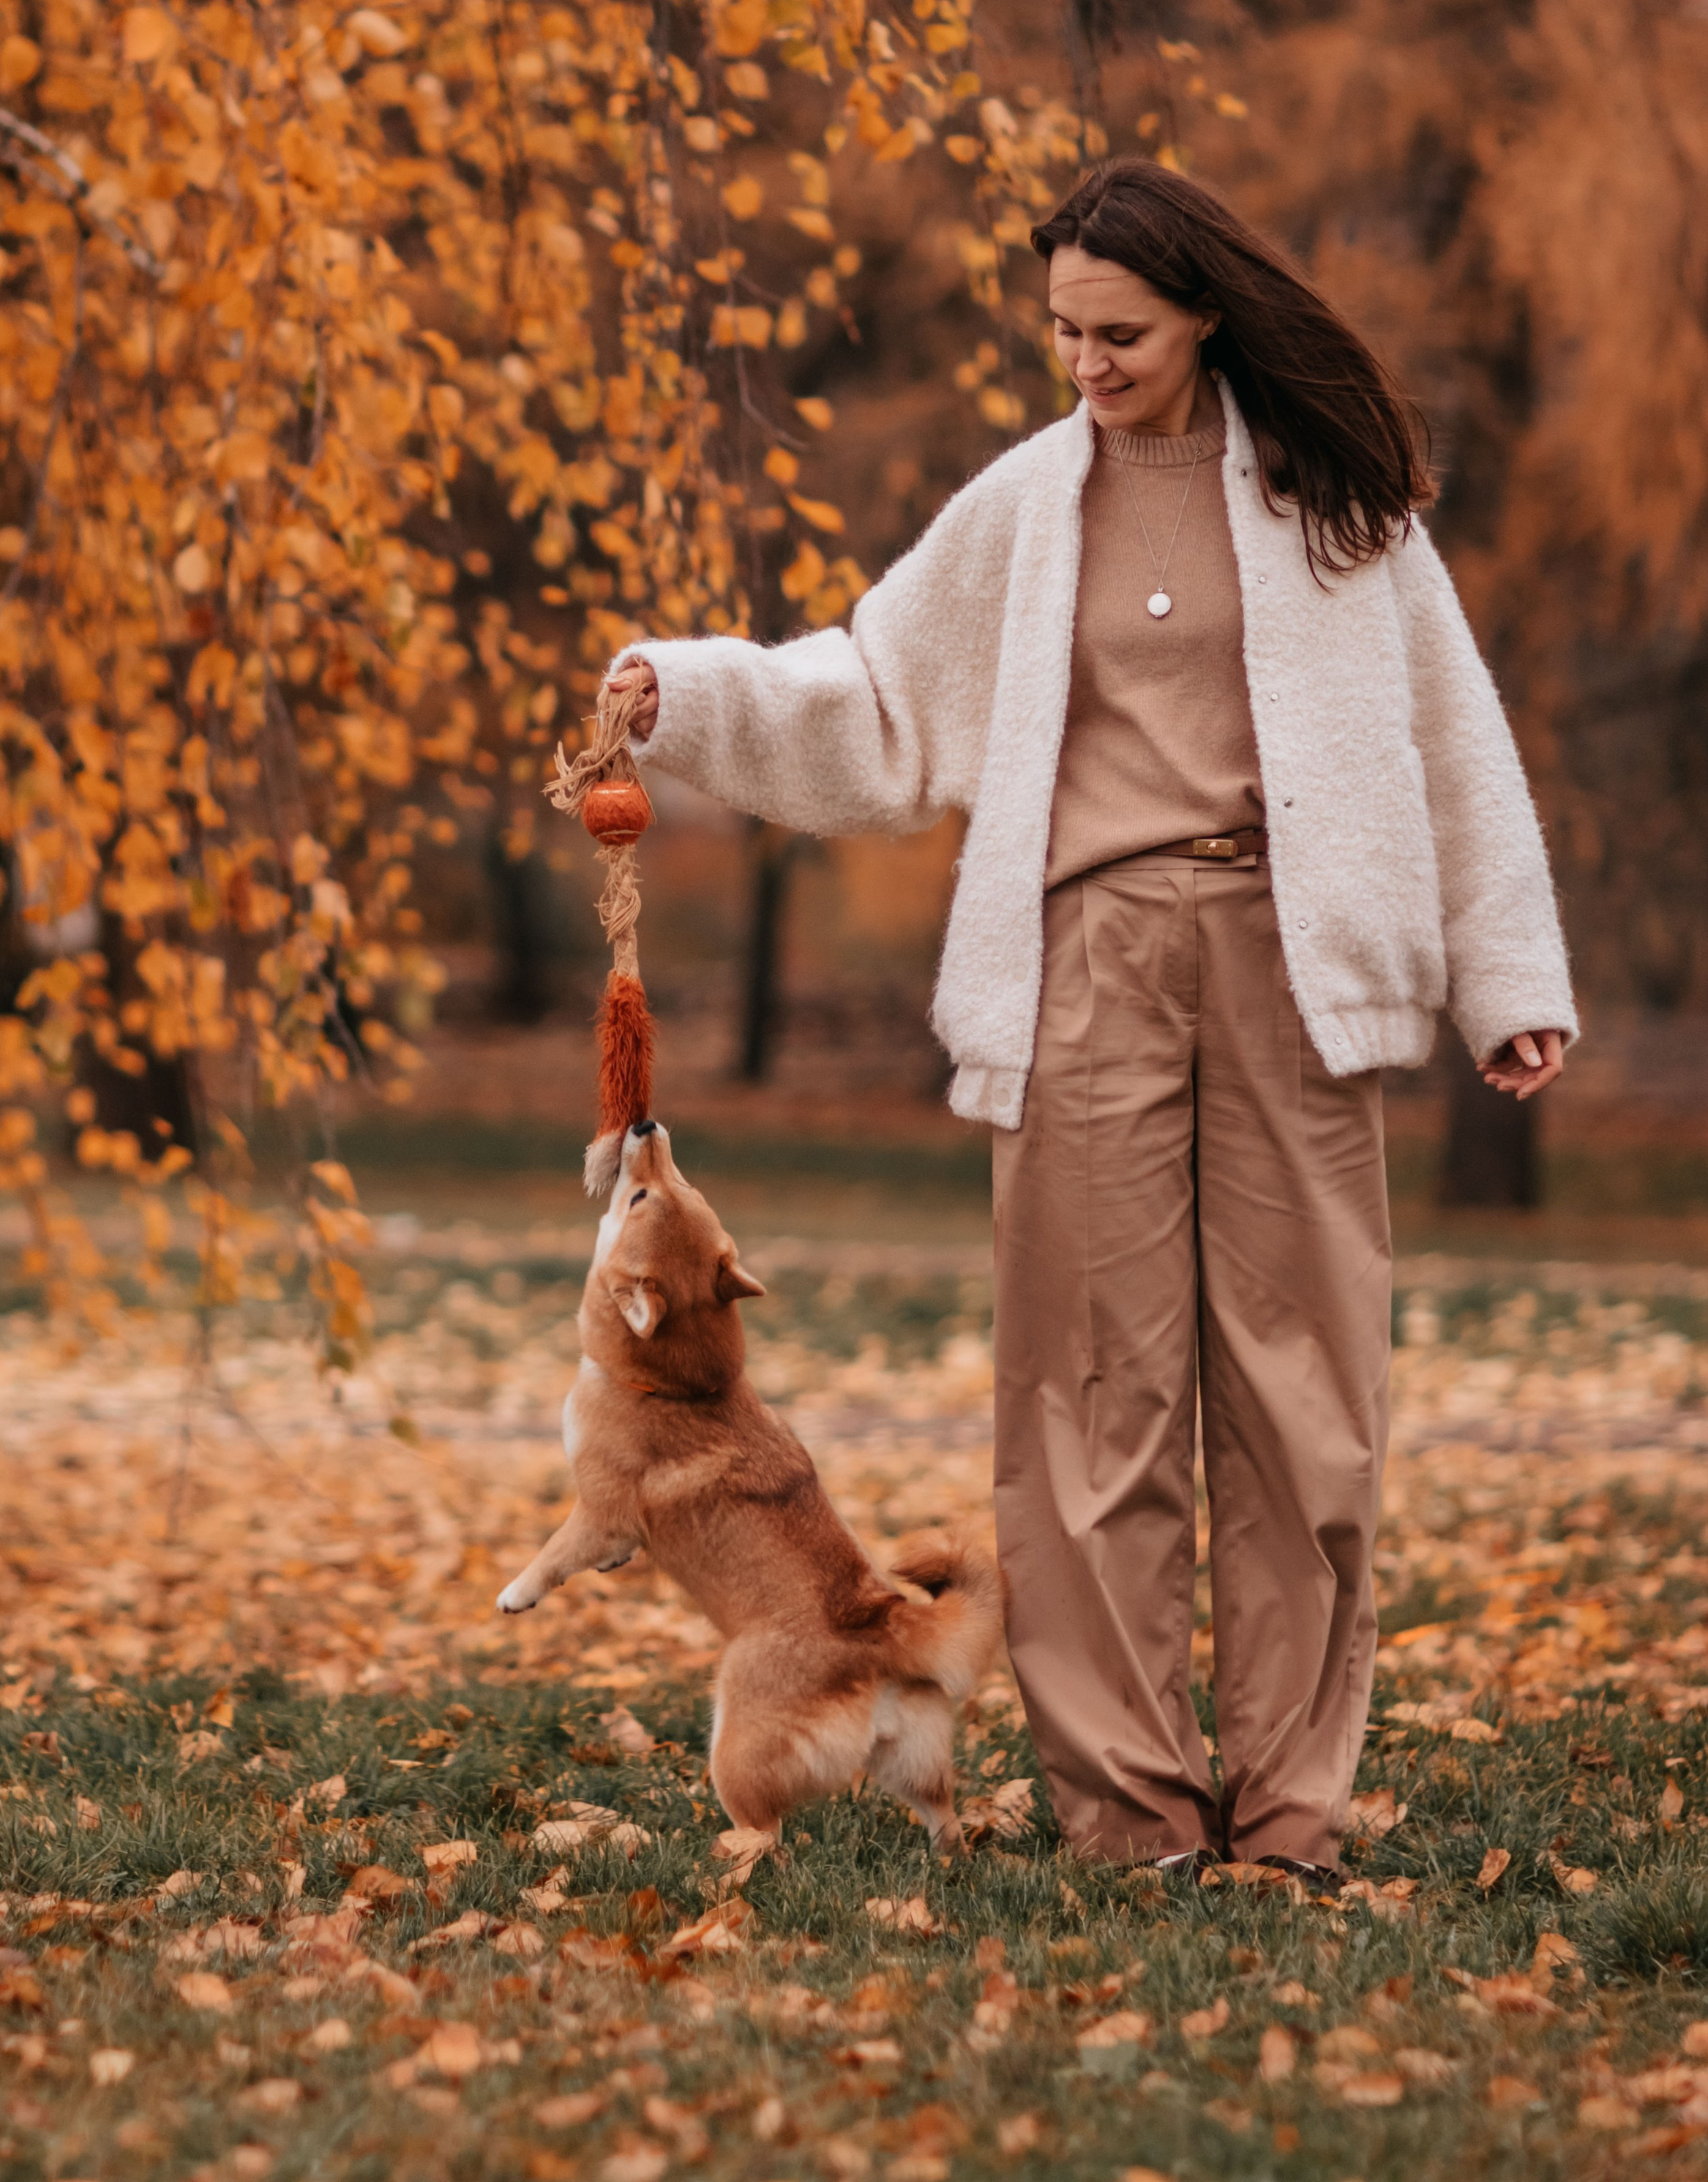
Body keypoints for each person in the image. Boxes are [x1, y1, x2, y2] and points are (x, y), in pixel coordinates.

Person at [602, 154, 1574, 1888]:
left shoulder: (1337, 506)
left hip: (1291, 967)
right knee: (1081, 1409)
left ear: (1201, 312)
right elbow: (877, 701)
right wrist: (691, 696)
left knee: (1304, 1410)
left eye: (1114, 331)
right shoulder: (1023, 508)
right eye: (1058, 329)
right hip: (1085, 968)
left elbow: (1450, 737)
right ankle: (1127, 1821)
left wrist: (1506, 977)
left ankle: (1287, 1819)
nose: (1082, 360)